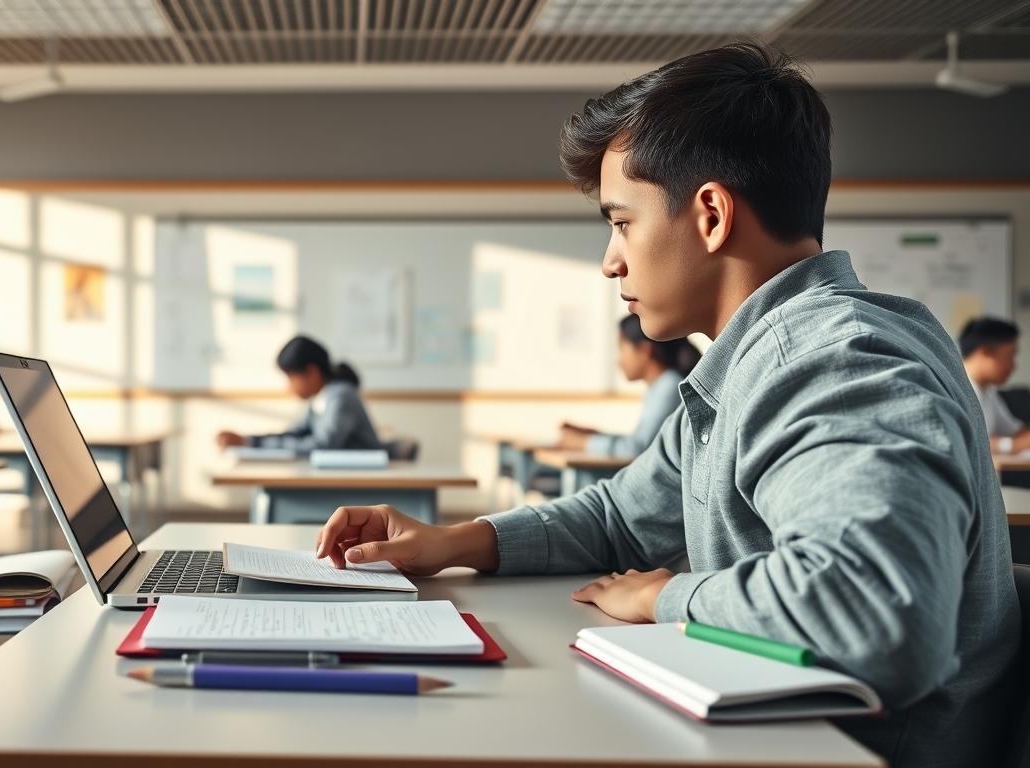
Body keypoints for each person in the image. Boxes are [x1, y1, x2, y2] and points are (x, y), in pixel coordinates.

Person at [314, 43, 1017, 768]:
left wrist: (668, 599)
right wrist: (455, 542)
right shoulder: (749, 361)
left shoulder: (830, 362)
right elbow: (621, 515)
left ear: (710, 215)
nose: (610, 260)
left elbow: (873, 612)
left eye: (622, 222)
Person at [559, 314, 698, 455]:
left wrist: (584, 443)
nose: (619, 361)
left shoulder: (669, 386)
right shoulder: (661, 386)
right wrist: (593, 435)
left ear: (645, 350)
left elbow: (638, 449)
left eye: (622, 348)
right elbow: (642, 441)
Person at [217, 335, 382, 453]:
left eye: (291, 377)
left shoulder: (341, 396)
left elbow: (323, 445)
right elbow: (295, 432)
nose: (289, 387)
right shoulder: (319, 399)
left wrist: (251, 443)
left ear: (312, 372)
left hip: (366, 478)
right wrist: (250, 440)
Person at [959, 316, 1030, 454]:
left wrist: (1018, 442)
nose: (1013, 366)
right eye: (1010, 356)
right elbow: (965, 441)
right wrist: (1011, 446)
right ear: (985, 352)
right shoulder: (956, 388)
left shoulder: (988, 391)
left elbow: (1016, 432)